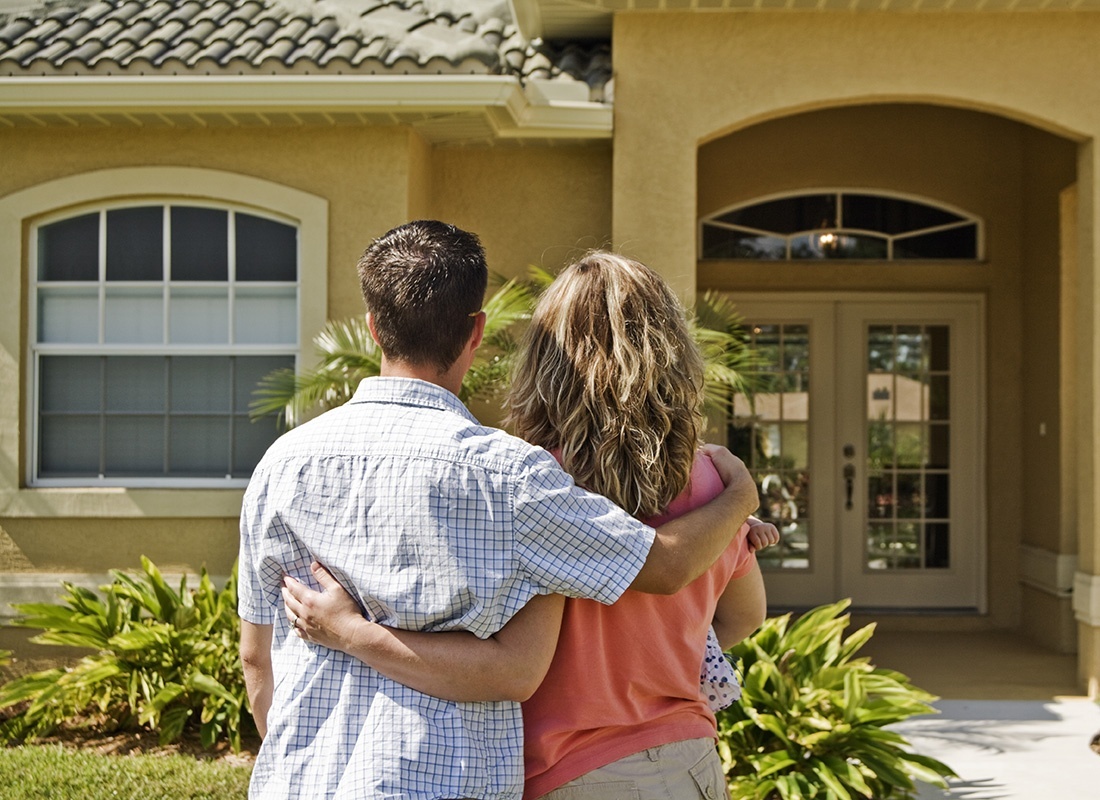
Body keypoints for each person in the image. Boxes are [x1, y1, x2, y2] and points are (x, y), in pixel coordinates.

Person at [238, 223, 760, 800]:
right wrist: (741, 499)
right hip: (672, 761)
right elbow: (697, 591)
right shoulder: (515, 479)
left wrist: (341, 654)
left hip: (321, 781)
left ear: (371, 328)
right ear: (476, 332)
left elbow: (256, 660)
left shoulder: (281, 463)